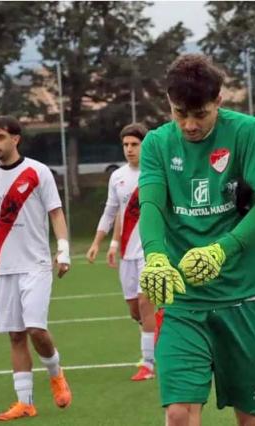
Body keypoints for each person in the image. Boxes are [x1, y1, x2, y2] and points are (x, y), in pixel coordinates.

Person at [138, 54, 255, 426]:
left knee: (252, 419)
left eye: (200, 114)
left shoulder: (247, 131)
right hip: (184, 303)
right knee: (178, 414)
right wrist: (156, 257)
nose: (189, 124)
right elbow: (150, 206)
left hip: (245, 295)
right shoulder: (156, 143)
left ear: (219, 99)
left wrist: (222, 250)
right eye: (179, 113)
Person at [0, 116, 72, 420]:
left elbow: (56, 213)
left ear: (16, 139)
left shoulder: (38, 172)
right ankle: (25, 402)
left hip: (36, 265)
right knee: (15, 336)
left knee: (35, 329)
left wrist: (64, 251)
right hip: (3, 268)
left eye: (0, 137)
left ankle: (55, 372)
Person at [86, 123, 157, 381]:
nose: (129, 149)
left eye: (134, 144)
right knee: (135, 311)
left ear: (145, 145)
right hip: (127, 253)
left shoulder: (157, 172)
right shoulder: (118, 177)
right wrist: (101, 243)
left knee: (145, 303)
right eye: (125, 145)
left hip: (151, 252)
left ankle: (148, 364)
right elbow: (112, 212)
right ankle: (157, 330)